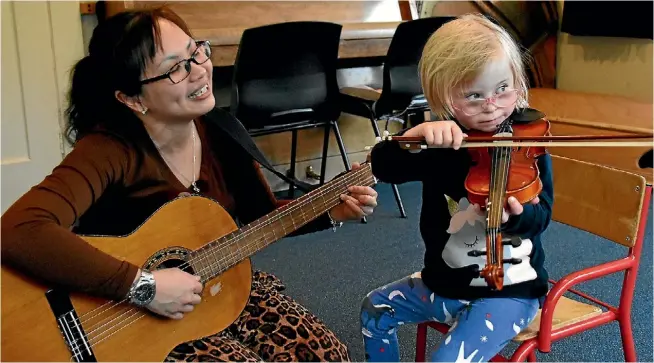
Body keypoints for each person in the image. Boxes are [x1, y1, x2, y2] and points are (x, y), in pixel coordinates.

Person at [0, 7, 379, 362]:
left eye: (196, 52)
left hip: (220, 285)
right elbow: (19, 229)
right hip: (127, 315)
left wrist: (329, 209)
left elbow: (259, 216)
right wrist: (142, 286)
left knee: (326, 354)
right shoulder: (109, 148)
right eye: (175, 69)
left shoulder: (222, 130)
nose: (200, 70)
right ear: (132, 99)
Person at [360, 13, 553, 362]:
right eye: (474, 95)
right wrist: (411, 138)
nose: (492, 105)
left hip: (508, 294)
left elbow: (542, 216)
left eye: (503, 89)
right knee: (374, 309)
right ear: (444, 96)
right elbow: (382, 166)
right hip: (441, 284)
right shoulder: (439, 145)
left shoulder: (527, 143)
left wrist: (517, 216)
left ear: (518, 81)